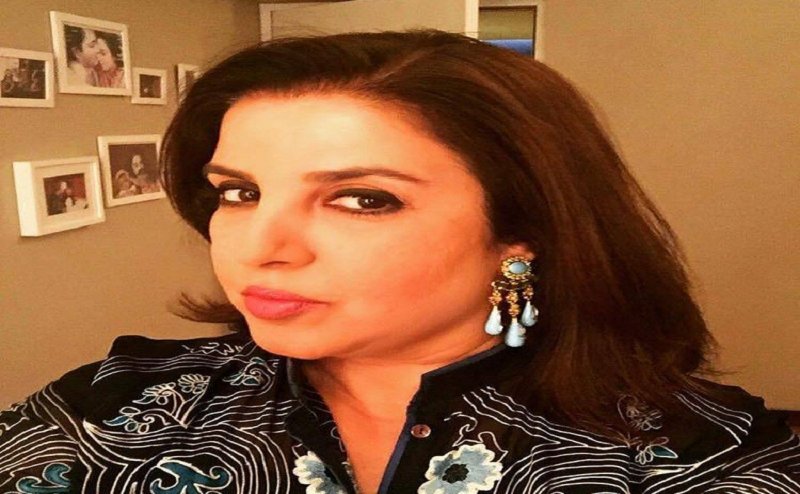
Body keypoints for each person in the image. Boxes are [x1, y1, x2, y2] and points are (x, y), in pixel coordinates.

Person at [1, 30, 797, 493]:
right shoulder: (109, 413)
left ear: (521, 232)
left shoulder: (697, 455)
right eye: (239, 193)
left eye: (361, 199)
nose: (261, 247)